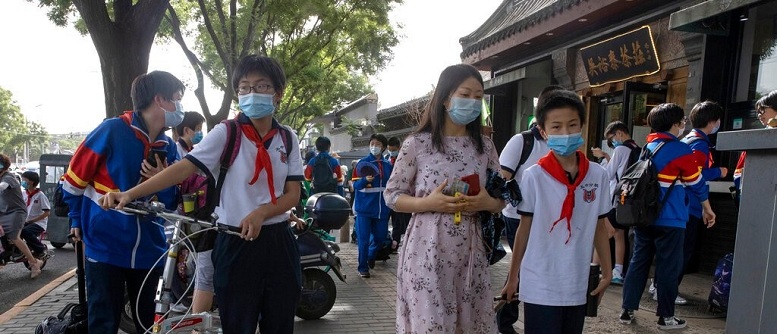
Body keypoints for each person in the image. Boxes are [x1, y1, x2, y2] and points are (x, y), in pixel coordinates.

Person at [101, 55, 303, 334]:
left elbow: (293, 194)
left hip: (279, 242)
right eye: (244, 87)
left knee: (280, 324)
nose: (251, 93)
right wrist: (129, 194)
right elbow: (183, 168)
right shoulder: (226, 133)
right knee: (238, 325)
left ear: (278, 94)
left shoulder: (287, 138)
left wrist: (262, 212)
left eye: (261, 86)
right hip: (235, 242)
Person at [384, 64, 505, 332]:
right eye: (465, 94)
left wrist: (488, 203)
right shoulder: (418, 144)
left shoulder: (484, 146)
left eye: (478, 96)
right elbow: (392, 195)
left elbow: (501, 197)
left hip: (471, 252)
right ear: (445, 97)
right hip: (427, 248)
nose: (472, 102)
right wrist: (428, 203)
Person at [61, 70, 182, 333]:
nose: (179, 108)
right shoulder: (112, 130)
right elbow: (73, 182)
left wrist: (163, 180)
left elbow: (170, 203)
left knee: (149, 323)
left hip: (150, 247)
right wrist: (75, 219)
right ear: (159, 99)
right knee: (104, 321)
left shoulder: (169, 147)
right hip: (105, 243)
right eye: (176, 99)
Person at [499, 89, 612, 334]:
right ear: (543, 131)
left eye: (572, 125)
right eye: (557, 127)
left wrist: (607, 270)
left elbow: (599, 226)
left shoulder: (597, 175)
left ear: (582, 125)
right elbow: (523, 230)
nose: (565, 133)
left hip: (577, 282)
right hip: (540, 281)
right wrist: (512, 277)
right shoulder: (534, 176)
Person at [619, 103, 716, 330]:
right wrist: (707, 208)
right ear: (674, 123)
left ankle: (627, 309)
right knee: (668, 268)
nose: (684, 125)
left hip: (644, 218)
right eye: (682, 121)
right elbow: (696, 183)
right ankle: (666, 317)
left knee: (638, 263)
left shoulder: (648, 147)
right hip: (671, 219)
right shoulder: (680, 150)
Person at [495, 87, 556, 334]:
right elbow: (501, 179)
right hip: (519, 218)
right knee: (521, 268)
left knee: (541, 269)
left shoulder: (562, 144)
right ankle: (506, 321)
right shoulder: (522, 141)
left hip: (552, 220)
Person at [671, 101, 728, 304]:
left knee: (675, 250)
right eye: (718, 120)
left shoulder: (687, 139)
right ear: (712, 121)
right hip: (690, 205)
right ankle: (668, 291)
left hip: (681, 203)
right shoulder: (700, 143)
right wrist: (718, 172)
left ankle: (661, 286)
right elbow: (695, 173)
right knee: (683, 252)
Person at [590, 121, 641, 286]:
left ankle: (595, 269)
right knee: (620, 235)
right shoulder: (637, 149)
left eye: (612, 138)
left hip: (615, 199)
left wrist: (604, 157)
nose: (612, 143)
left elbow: (608, 174)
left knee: (603, 233)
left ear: (620, 133)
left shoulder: (620, 149)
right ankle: (618, 271)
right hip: (628, 199)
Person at [352, 133, 393, 278]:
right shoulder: (362, 163)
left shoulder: (388, 165)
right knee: (363, 240)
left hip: (382, 210)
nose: (374, 146)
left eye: (378, 144)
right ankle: (363, 267)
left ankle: (370, 255)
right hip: (364, 209)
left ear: (383, 148)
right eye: (372, 143)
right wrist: (364, 180)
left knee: (380, 238)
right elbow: (355, 185)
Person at [0, 154, 43, 278]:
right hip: (3, 212)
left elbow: (2, 187)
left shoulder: (9, 177)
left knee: (14, 237)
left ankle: (34, 262)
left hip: (16, 212)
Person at [733, 90, 777, 205]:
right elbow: (739, 173)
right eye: (758, 112)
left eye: (763, 110)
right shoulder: (756, 139)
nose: (759, 115)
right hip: (757, 198)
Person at [386, 136, 410, 251]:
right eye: (389, 149)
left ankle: (399, 242)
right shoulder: (386, 159)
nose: (391, 152)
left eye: (393, 149)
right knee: (392, 220)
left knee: (401, 221)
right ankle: (391, 243)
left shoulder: (406, 158)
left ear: (398, 147)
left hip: (402, 194)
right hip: (389, 195)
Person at [20, 171, 50, 258]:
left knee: (25, 231)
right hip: (25, 221)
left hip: (38, 223)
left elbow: (47, 213)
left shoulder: (40, 195)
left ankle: (41, 249)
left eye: (24, 180)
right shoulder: (23, 194)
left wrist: (33, 220)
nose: (22, 181)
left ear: (31, 182)